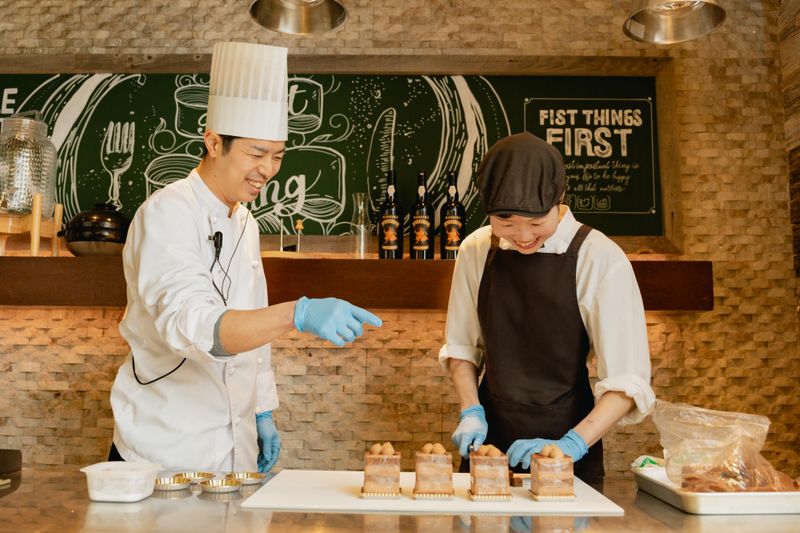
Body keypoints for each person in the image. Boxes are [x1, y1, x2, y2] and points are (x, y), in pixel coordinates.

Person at [109, 42, 382, 473]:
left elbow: (252, 326)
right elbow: (193, 325)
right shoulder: (167, 212)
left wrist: (261, 410)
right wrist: (297, 313)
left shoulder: (245, 221)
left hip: (235, 446)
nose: (268, 170)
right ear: (213, 142)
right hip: (164, 449)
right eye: (256, 154)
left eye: (277, 156)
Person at [440, 132, 655, 483]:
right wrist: (470, 410)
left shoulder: (599, 257)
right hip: (488, 448)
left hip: (568, 454)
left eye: (537, 223)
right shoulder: (476, 250)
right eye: (506, 224)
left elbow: (627, 381)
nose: (523, 236)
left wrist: (571, 444)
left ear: (560, 199)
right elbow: (462, 348)